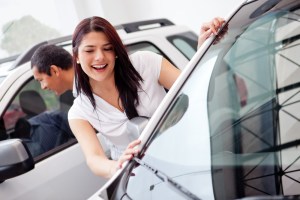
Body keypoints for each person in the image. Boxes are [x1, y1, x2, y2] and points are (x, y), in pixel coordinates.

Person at [68, 16, 225, 179]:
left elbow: (197, 88)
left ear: (115, 52)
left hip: (185, 158)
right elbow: (94, 159)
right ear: (77, 56)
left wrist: (203, 48)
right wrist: (117, 167)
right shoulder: (79, 112)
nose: (99, 57)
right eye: (89, 50)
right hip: (139, 176)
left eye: (107, 48)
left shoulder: (145, 63)